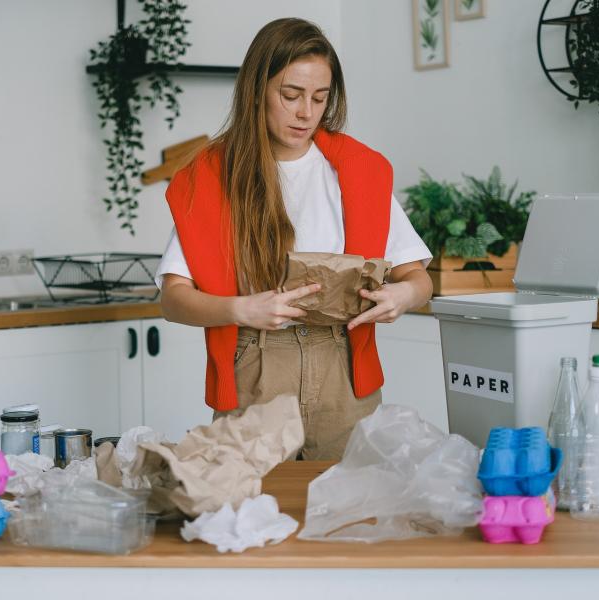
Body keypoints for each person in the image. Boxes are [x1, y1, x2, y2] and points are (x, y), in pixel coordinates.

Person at [155, 18, 433, 460]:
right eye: (291, 95)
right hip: (256, 365)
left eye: (320, 97)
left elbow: (418, 279)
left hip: (344, 369)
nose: (307, 112)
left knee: (347, 497)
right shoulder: (209, 177)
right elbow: (173, 300)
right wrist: (241, 309)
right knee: (251, 499)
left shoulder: (359, 170)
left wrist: (403, 296)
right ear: (257, 91)